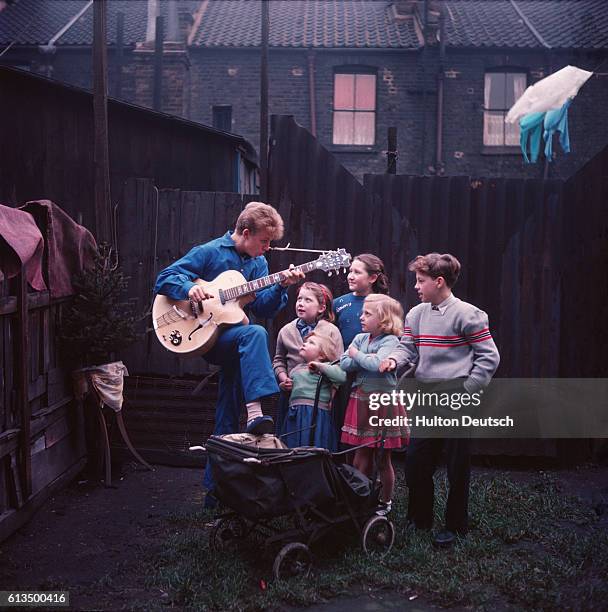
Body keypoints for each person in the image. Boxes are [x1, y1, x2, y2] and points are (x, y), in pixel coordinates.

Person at [153, 202, 304, 506]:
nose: (268, 248)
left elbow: (262, 308)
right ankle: (258, 411)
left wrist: (281, 287)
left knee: (226, 411)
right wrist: (188, 289)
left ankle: (215, 494)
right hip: (209, 338)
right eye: (264, 241)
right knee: (256, 333)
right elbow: (164, 278)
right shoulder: (209, 251)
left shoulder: (259, 265)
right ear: (245, 233)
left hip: (240, 346)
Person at [380, 253, 500, 546]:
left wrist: (468, 388)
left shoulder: (468, 314)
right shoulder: (416, 314)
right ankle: (419, 519)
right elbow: (407, 349)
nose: (416, 287)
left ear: (439, 281)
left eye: (421, 281)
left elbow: (489, 357)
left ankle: (456, 526)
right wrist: (393, 360)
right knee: (417, 460)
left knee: (458, 465)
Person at [340, 294, 409, 516]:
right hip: (360, 400)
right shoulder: (361, 338)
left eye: (368, 314)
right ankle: (359, 496)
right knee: (360, 453)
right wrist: (364, 358)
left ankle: (385, 501)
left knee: (382, 458)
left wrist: (358, 356)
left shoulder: (390, 341)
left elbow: (378, 364)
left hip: (382, 404)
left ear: (384, 320)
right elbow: (344, 363)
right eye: (362, 312)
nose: (361, 317)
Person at [332, 254, 390, 444]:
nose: (350, 276)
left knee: (366, 431)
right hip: (344, 372)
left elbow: (391, 338)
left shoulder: (383, 304)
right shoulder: (339, 303)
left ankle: (366, 472)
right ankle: (341, 468)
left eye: (357, 272)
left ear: (372, 278)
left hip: (370, 375)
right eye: (350, 271)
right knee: (343, 424)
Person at [273, 282, 343, 435]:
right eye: (299, 299)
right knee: (290, 437)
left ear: (321, 308)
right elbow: (279, 360)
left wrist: (331, 396)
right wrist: (283, 379)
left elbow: (339, 365)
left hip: (320, 400)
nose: (301, 304)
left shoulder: (331, 331)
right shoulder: (286, 331)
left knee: (316, 436)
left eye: (307, 300)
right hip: (292, 395)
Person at [282, 330, 346, 450]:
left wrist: (320, 366)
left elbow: (341, 377)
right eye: (305, 342)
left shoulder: (326, 368)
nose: (305, 344)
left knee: (314, 443)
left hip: (315, 413)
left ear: (321, 355)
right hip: (295, 412)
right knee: (293, 443)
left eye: (311, 343)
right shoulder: (295, 369)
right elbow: (290, 388)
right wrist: (285, 386)